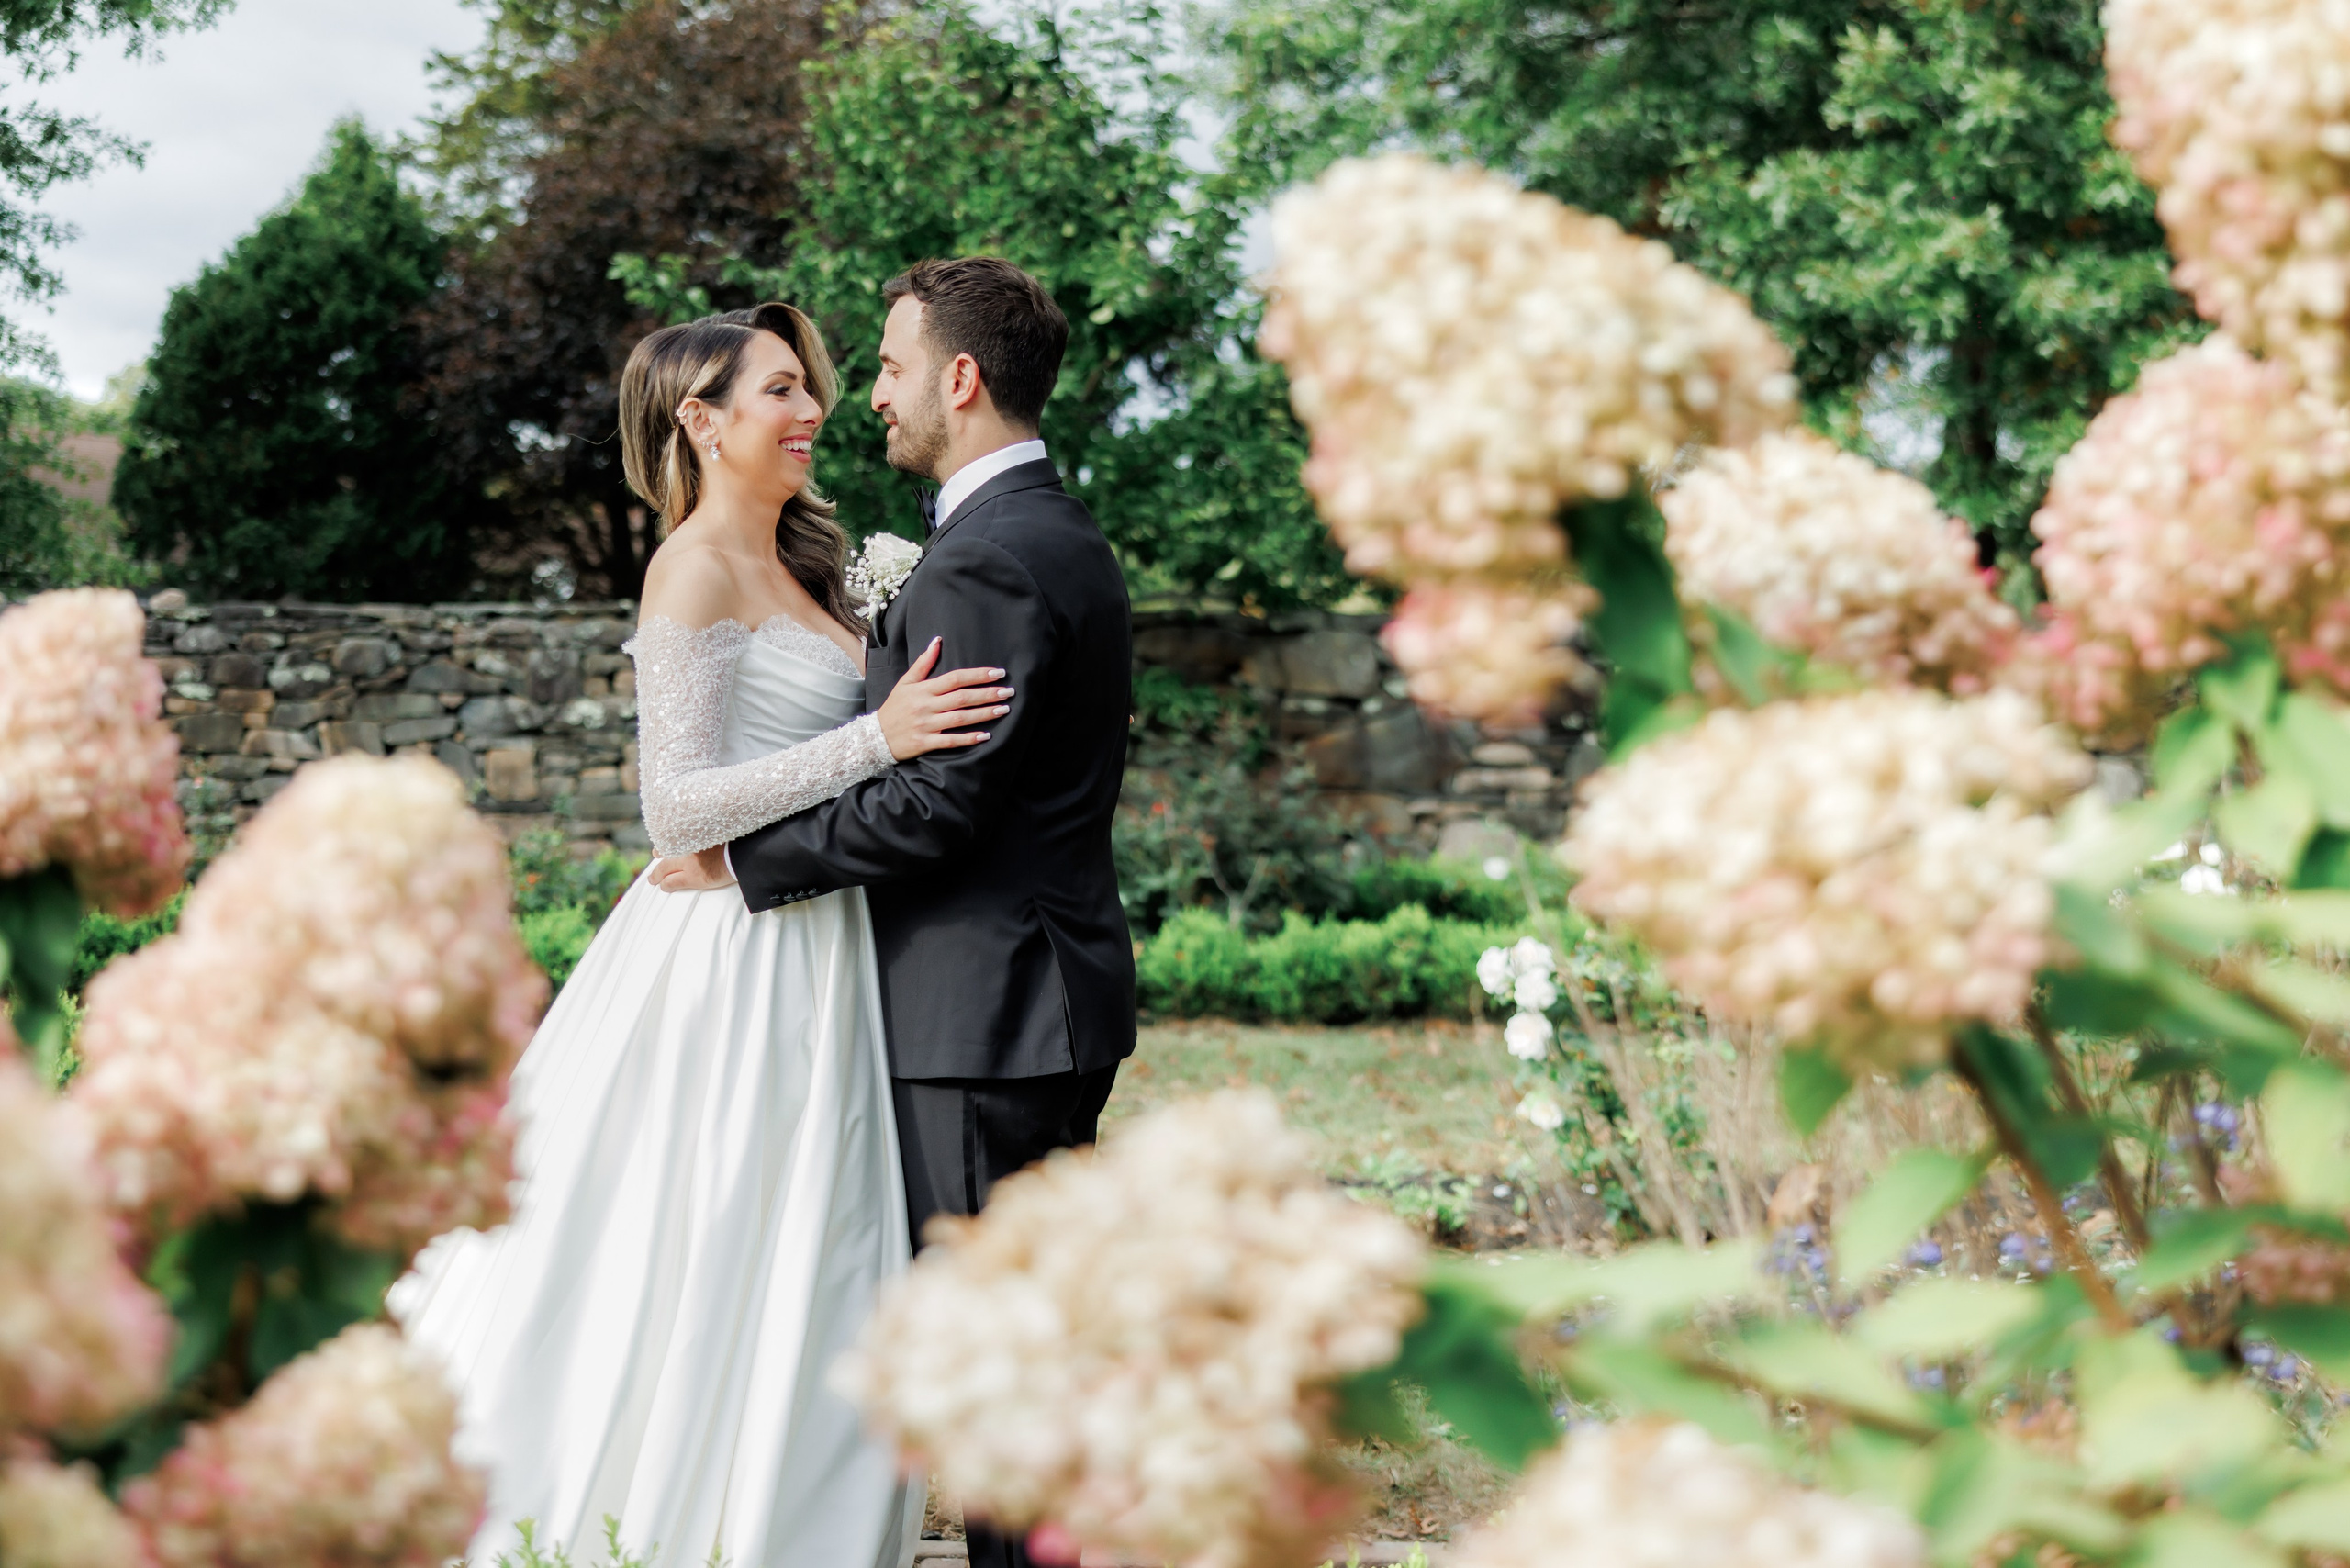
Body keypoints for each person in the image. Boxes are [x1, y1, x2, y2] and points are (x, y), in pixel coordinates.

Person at [389, 300, 1014, 1568]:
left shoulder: (815, 564)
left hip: (827, 940)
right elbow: (671, 809)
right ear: (701, 418)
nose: (811, 412)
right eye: (779, 390)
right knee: (705, 1227)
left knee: (817, 1247)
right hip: (725, 955)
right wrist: (876, 737)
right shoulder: (690, 568)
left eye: (811, 388)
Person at [651, 257, 1138, 1568]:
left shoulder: (985, 560)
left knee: (993, 1368)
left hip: (980, 1016)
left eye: (884, 366)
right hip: (1027, 998)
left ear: (960, 379)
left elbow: (935, 809)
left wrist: (743, 863)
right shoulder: (1049, 534)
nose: (866, 396)